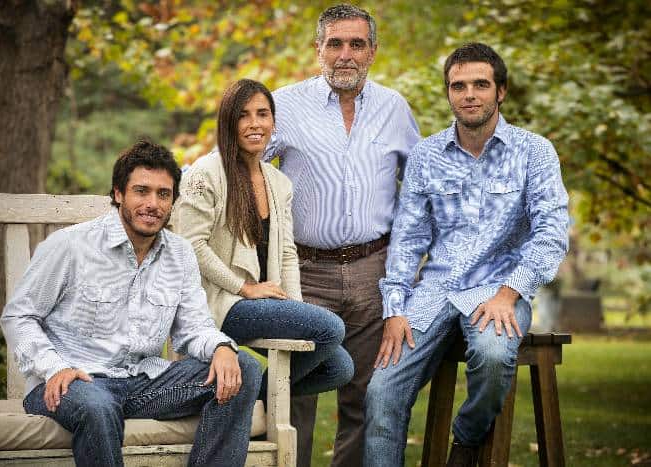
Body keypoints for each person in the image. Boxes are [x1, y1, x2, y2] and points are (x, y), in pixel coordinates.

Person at [364, 42, 570, 466]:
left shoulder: (534, 152)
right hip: (435, 290)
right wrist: (395, 308)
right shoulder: (425, 156)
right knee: (382, 390)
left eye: (480, 84)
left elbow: (551, 232)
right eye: (458, 86)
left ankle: (467, 439)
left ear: (501, 92)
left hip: (499, 287)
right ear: (449, 93)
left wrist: (510, 292)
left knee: (494, 357)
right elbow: (408, 237)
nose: (469, 94)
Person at [0, 140, 262, 467]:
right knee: (98, 407)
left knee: (244, 367)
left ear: (173, 201)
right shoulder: (71, 246)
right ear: (119, 194)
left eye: (163, 194)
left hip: (143, 384)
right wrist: (55, 366)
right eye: (142, 191)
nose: (152, 203)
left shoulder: (179, 255)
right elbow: (19, 315)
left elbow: (193, 329)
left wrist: (222, 348)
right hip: (74, 382)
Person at [263, 4, 421, 466]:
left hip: (376, 271)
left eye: (357, 44)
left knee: (366, 396)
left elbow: (419, 190)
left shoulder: (394, 108)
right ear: (318, 49)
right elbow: (237, 161)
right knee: (295, 395)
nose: (345, 54)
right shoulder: (284, 105)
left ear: (372, 51)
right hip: (303, 272)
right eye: (335, 43)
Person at [173, 79, 354, 408]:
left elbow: (287, 253)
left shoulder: (278, 182)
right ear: (229, 122)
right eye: (244, 115)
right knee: (331, 327)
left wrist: (296, 311)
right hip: (219, 304)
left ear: (273, 122)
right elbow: (192, 246)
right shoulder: (204, 174)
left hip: (260, 303)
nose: (255, 124)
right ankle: (247, 399)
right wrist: (244, 287)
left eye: (263, 114)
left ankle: (245, 398)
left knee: (339, 367)